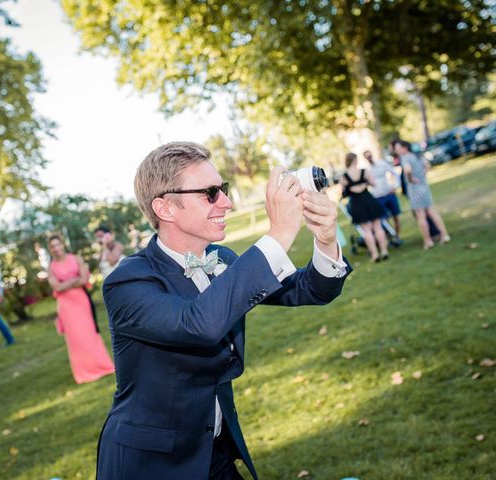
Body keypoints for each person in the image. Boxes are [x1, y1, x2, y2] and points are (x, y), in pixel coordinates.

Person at [96, 142, 351, 479]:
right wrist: (280, 233)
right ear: (165, 208)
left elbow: (312, 290)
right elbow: (197, 324)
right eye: (211, 193)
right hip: (150, 465)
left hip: (213, 454)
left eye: (223, 190)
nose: (227, 203)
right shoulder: (128, 283)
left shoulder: (222, 260)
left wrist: (326, 238)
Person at [47, 235, 115, 384]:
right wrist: (73, 280)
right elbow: (56, 287)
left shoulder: (75, 258)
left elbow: (84, 279)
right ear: (50, 249)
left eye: (58, 244)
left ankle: (102, 365)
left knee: (89, 333)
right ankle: (83, 370)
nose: (56, 248)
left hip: (81, 301)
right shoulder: (51, 266)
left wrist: (66, 283)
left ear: (63, 244)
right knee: (75, 339)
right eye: (53, 246)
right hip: (65, 306)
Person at [394, 140, 451, 249]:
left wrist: (410, 179)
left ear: (404, 147)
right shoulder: (416, 155)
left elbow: (407, 170)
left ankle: (428, 240)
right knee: (432, 212)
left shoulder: (405, 158)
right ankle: (444, 235)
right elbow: (427, 165)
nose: (396, 150)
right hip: (424, 186)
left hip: (415, 189)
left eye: (397, 147)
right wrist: (423, 174)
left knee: (421, 216)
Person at [340, 152, 390, 262]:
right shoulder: (364, 171)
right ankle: (384, 251)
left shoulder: (344, 177)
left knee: (366, 230)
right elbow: (374, 184)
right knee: (378, 227)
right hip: (369, 200)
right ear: (355, 160)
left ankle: (375, 254)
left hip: (357, 204)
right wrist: (365, 184)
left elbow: (343, 193)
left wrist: (353, 188)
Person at [363, 150, 402, 240]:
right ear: (365, 158)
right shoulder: (366, 170)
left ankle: (397, 236)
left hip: (389, 193)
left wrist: (395, 186)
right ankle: (389, 238)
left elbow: (394, 173)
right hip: (377, 197)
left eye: (370, 155)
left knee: (395, 216)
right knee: (383, 220)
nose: (369, 158)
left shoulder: (382, 163)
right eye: (367, 156)